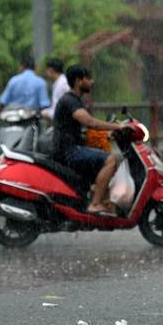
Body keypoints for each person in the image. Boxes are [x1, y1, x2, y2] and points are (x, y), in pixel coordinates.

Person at [52, 65, 122, 215]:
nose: (92, 82)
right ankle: (95, 204)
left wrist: (109, 134)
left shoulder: (74, 99)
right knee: (111, 160)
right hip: (68, 151)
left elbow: (81, 129)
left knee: (102, 156)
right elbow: (90, 122)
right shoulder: (70, 101)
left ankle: (104, 202)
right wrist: (118, 127)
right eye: (88, 78)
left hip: (71, 148)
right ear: (78, 81)